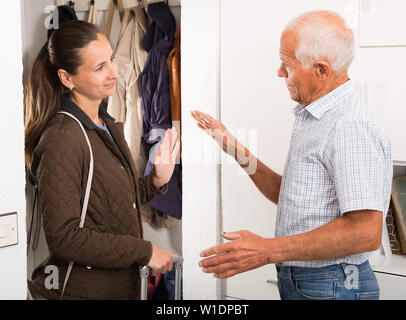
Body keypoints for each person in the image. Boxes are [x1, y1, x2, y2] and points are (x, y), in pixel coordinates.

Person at [192, 10, 392, 300]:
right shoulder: (318, 117)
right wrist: (233, 148)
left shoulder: (349, 126)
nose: (279, 72)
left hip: (333, 283)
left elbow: (365, 232)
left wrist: (265, 250)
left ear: (321, 70)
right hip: (313, 282)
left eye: (287, 64)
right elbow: (289, 195)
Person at [24, 20, 180, 300]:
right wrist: (145, 251)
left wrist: (156, 180)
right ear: (67, 78)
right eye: (100, 67)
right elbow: (64, 237)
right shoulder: (62, 138)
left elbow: (107, 204)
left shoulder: (104, 122)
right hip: (81, 293)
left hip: (118, 289)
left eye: (111, 59)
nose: (114, 72)